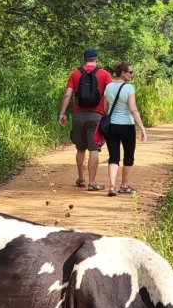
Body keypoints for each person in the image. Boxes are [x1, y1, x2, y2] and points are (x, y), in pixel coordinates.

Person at [57, 48, 112, 191]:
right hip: (96, 116)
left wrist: (62, 113)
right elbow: (110, 95)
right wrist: (108, 113)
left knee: (80, 148)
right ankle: (92, 182)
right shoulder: (104, 74)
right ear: (96, 59)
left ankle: (81, 178)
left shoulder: (75, 74)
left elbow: (67, 94)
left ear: (84, 58)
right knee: (94, 149)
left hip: (78, 116)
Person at [101, 61, 147, 197]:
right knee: (128, 156)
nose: (132, 75)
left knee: (113, 156)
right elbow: (133, 109)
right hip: (127, 126)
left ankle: (112, 186)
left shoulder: (108, 87)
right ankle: (124, 185)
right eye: (130, 72)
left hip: (112, 127)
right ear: (123, 73)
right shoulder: (129, 88)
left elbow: (105, 109)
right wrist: (142, 128)